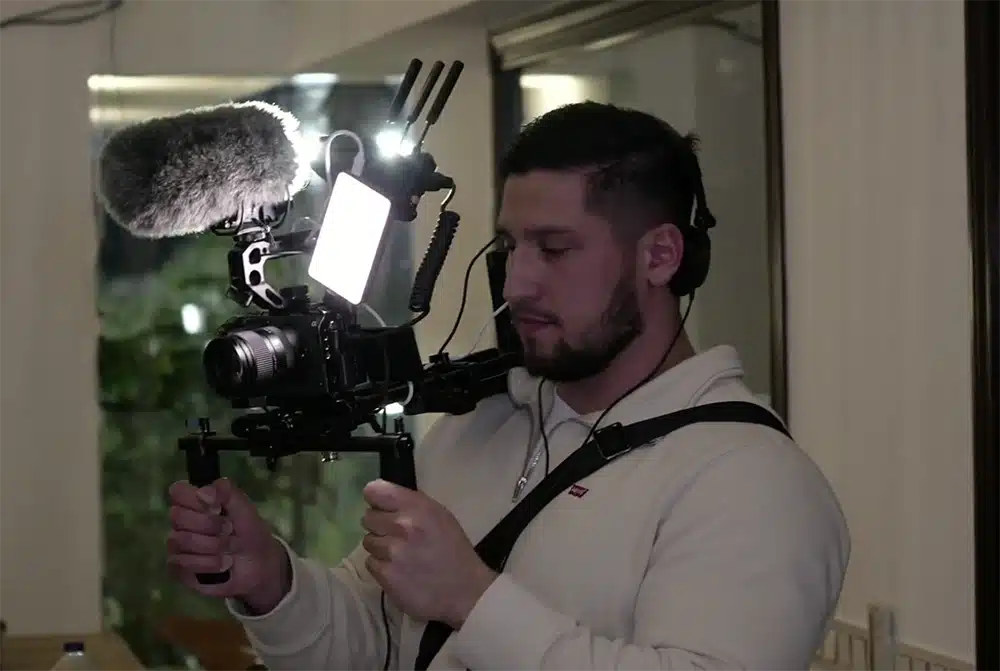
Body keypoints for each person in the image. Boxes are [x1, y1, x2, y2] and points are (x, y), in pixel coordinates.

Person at [167, 101, 850, 671]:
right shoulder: (479, 424)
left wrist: (473, 598)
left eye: (555, 249)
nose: (518, 283)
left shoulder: (751, 481)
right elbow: (376, 641)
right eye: (509, 248)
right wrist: (271, 581)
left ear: (661, 256)